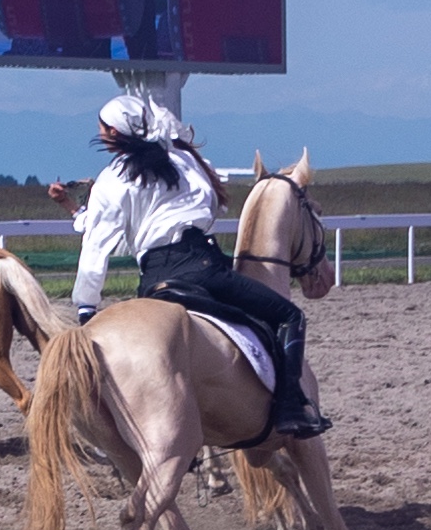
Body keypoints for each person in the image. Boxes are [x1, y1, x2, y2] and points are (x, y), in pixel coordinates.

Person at [58, 91, 322, 439]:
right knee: (289, 316)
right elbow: (212, 206)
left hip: (153, 281)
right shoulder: (183, 158)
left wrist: (86, 307)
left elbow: (97, 247)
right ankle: (290, 406)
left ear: (112, 133)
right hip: (202, 267)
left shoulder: (109, 180)